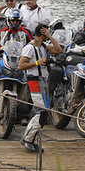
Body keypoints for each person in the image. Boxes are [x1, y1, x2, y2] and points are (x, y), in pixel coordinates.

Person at [19, 23, 62, 152]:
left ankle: (30, 139)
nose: (48, 36)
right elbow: (21, 65)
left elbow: (58, 50)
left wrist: (50, 36)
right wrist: (37, 62)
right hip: (34, 81)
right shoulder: (29, 48)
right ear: (42, 33)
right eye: (47, 34)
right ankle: (27, 139)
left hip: (42, 80)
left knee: (45, 112)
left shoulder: (43, 46)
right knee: (41, 112)